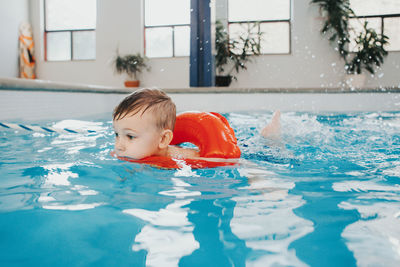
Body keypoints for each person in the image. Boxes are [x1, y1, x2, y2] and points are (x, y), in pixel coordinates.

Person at [112, 88, 280, 162]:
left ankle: (268, 136)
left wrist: (259, 181)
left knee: (255, 146)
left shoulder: (180, 156)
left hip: (245, 153)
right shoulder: (130, 152)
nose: (119, 145)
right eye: (117, 134)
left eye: (130, 136)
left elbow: (232, 162)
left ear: (163, 139)